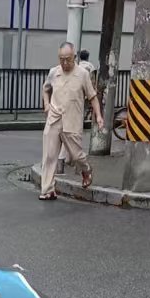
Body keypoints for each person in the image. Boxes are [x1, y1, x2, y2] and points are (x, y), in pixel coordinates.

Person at [40, 42, 103, 201]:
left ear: (74, 57)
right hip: (54, 118)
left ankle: (86, 169)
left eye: (67, 59)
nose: (64, 62)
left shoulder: (82, 74)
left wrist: (98, 116)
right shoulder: (54, 72)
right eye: (61, 59)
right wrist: (46, 104)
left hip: (72, 120)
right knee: (49, 156)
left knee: (75, 156)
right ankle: (47, 189)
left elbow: (93, 97)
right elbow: (46, 89)